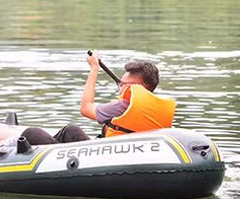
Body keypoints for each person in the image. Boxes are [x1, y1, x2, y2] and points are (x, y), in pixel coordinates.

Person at [21, 51, 176, 144]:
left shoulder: (123, 106)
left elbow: (85, 108)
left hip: (109, 161)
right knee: (71, 131)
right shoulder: (158, 110)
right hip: (129, 159)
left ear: (134, 86)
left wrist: (94, 69)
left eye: (122, 84)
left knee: (34, 133)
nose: (120, 88)